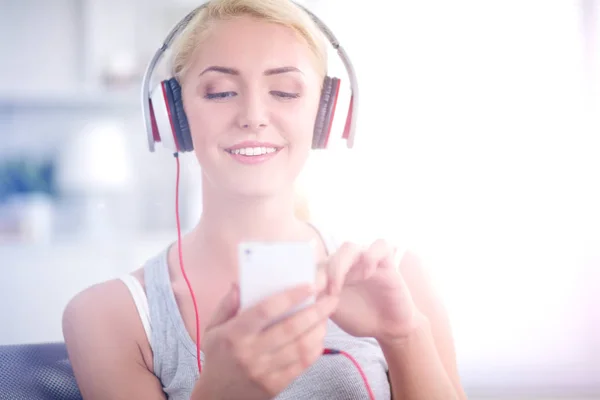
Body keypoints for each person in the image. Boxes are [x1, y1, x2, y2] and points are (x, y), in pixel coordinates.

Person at [62, 0, 467, 399]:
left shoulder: (401, 279)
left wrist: (404, 336)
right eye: (220, 92)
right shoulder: (108, 316)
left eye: (285, 92)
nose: (253, 115)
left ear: (326, 115)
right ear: (174, 116)